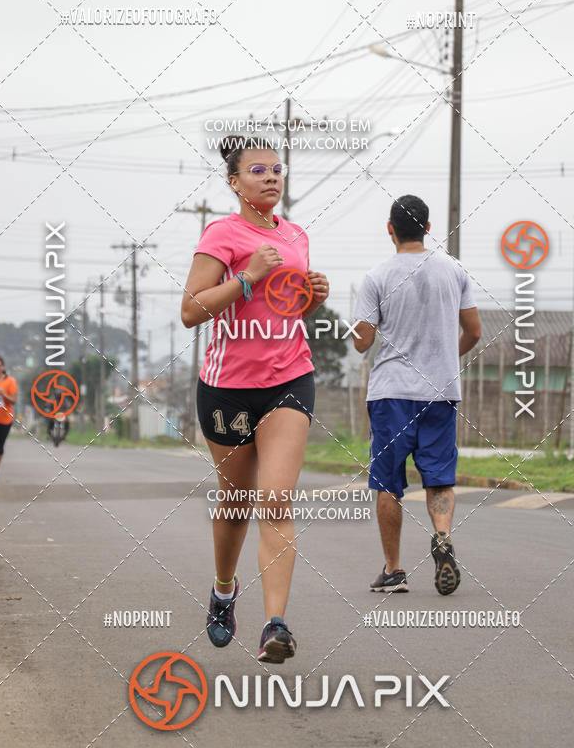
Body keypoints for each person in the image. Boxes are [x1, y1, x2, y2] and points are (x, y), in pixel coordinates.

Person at [181, 136, 329, 662]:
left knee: (275, 499)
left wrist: (313, 294)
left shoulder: (296, 235)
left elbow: (288, 309)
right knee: (236, 502)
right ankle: (224, 588)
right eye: (258, 170)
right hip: (228, 388)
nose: (271, 177)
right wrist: (247, 277)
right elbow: (192, 309)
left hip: (290, 377)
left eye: (276, 169)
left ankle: (275, 625)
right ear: (234, 182)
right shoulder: (222, 232)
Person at [352, 195, 481, 596]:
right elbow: (474, 331)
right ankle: (441, 536)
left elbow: (362, 342)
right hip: (440, 392)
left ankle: (393, 570)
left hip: (392, 394)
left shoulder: (376, 277)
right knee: (439, 478)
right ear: (427, 228)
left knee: (389, 484)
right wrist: (443, 358)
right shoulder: (454, 271)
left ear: (390, 228)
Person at [0, 355, 18, 484]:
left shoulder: (10, 381)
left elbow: (14, 400)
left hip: (5, 419)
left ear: (3, 367)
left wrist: (4, 394)